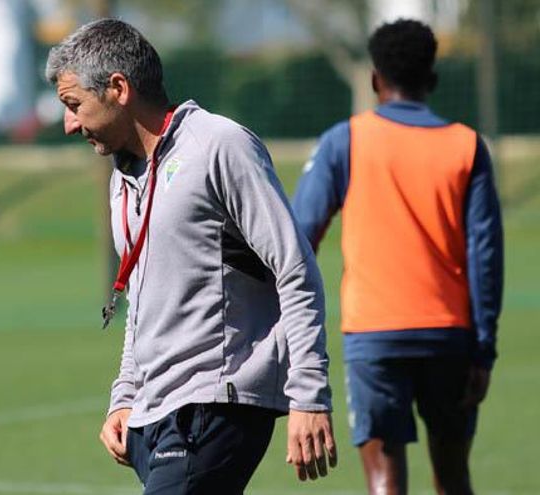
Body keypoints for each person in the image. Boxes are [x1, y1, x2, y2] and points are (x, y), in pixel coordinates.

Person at [46, 19, 336, 493]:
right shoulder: (123, 176)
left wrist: (309, 395)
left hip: (214, 405)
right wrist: (125, 397)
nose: (69, 123)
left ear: (118, 88)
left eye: (74, 105)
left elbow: (295, 268)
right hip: (152, 417)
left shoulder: (218, 145)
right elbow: (142, 299)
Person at [291, 19, 504, 495]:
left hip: (375, 335)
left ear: (373, 78)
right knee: (453, 476)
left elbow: (298, 236)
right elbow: (485, 256)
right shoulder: (467, 146)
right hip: (450, 335)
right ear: (432, 77)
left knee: (385, 481)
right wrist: (484, 348)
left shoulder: (344, 141)